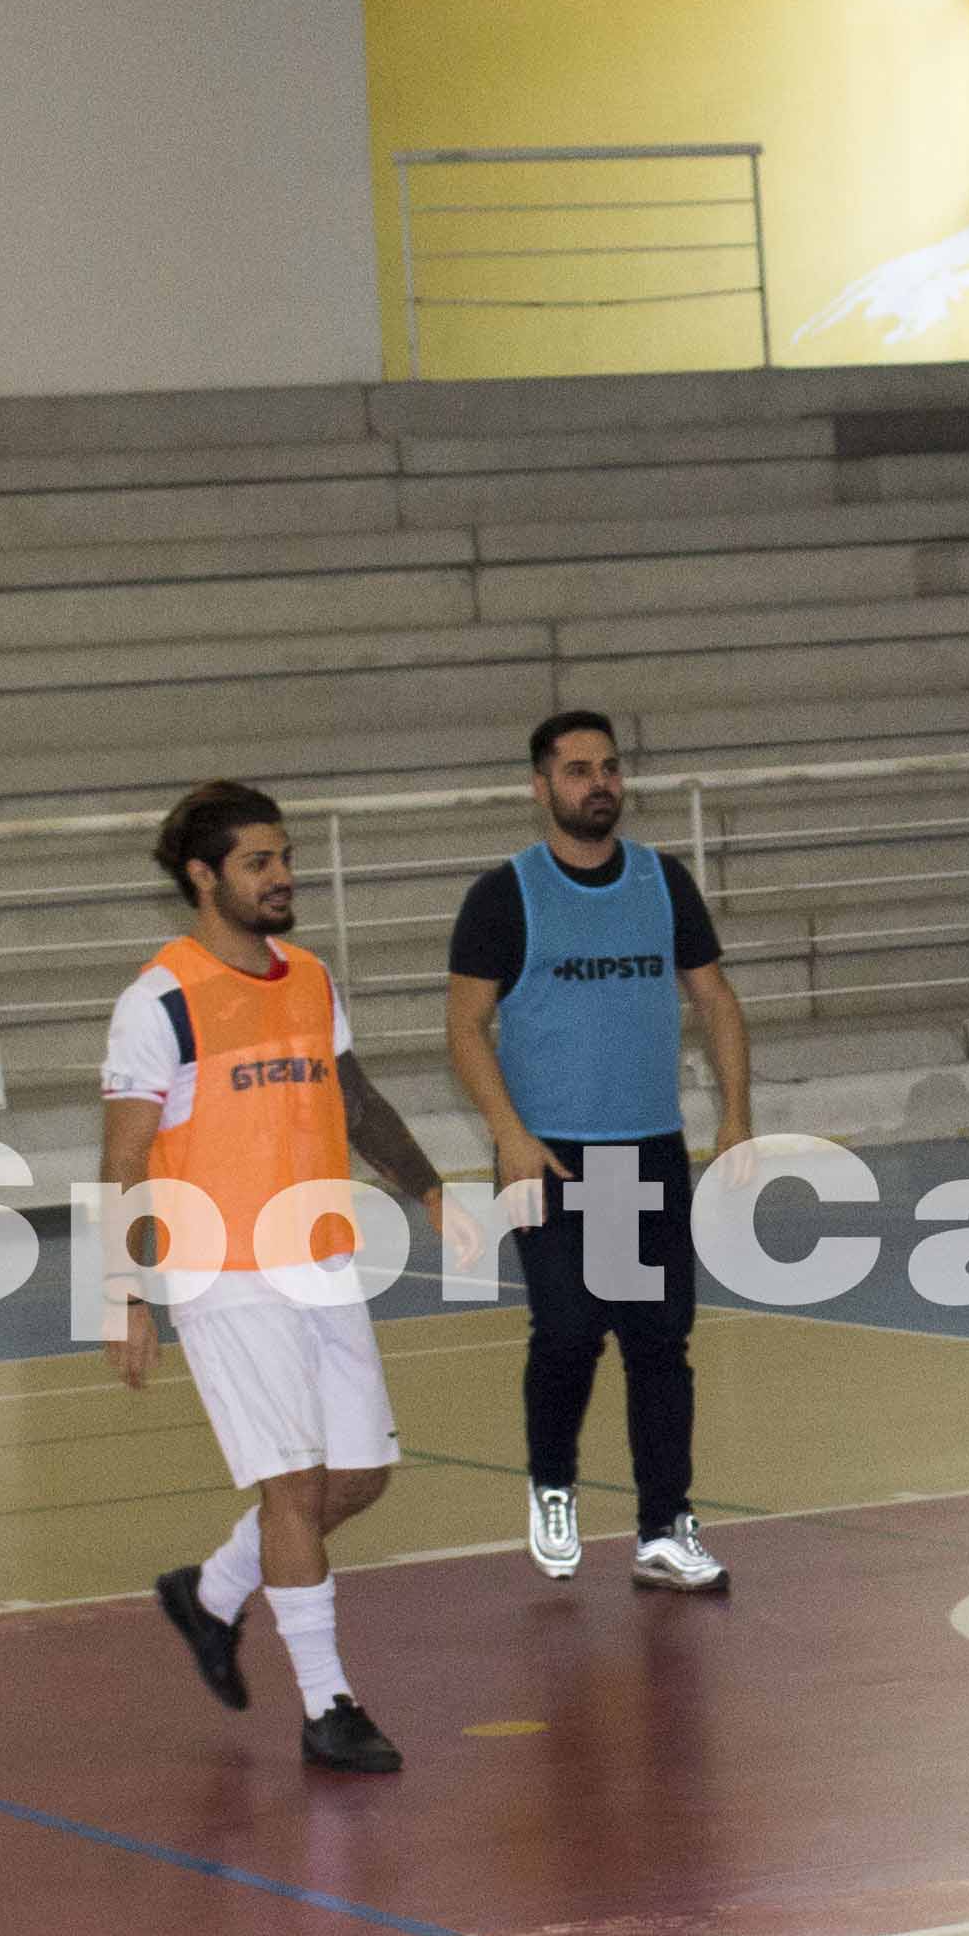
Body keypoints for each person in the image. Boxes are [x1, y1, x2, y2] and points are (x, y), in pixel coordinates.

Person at [110, 781, 450, 1773]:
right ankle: (327, 1706)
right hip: (224, 1270)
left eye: (286, 858)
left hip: (322, 1256)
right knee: (294, 1488)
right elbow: (125, 1162)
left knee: (360, 1477)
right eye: (260, 863)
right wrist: (124, 1295)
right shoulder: (158, 1002)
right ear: (204, 876)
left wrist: (431, 1190)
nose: (283, 877)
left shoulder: (308, 975)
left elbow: (354, 1095)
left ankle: (212, 1592)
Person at [446, 710, 751, 1594]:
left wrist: (735, 1117)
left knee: (658, 1342)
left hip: (644, 1153)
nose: (599, 783)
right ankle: (553, 1486)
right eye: (578, 770)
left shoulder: (662, 882)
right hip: (553, 1157)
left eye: (609, 767)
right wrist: (509, 1132)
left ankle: (664, 1527)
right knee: (570, 1333)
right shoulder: (506, 896)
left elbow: (717, 1001)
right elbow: (466, 1028)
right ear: (541, 787)